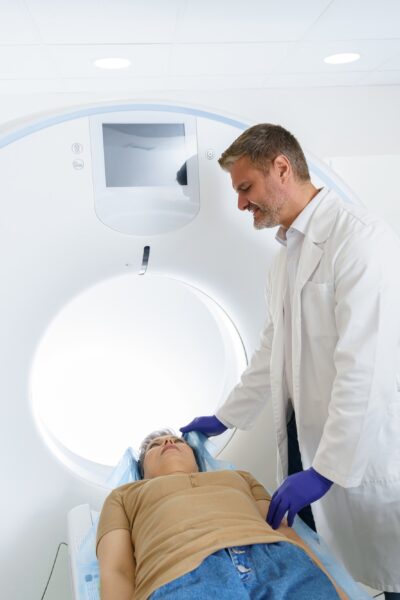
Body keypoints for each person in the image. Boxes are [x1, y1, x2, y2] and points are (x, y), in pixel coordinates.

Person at [180, 123, 400, 598]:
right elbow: (271, 354)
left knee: (389, 575)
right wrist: (224, 417)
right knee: (322, 575)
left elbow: (367, 370)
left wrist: (327, 469)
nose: (240, 204)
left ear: (282, 167)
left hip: (356, 451)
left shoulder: (359, 240)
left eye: (245, 188)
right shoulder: (283, 259)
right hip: (307, 446)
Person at [96, 430, 347, 600]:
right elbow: (117, 569)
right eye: (155, 445)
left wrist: (338, 591)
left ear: (195, 457)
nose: (168, 443)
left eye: (178, 441)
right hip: (179, 571)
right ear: (142, 469)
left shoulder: (239, 477)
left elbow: (283, 530)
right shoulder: (124, 496)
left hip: (280, 562)